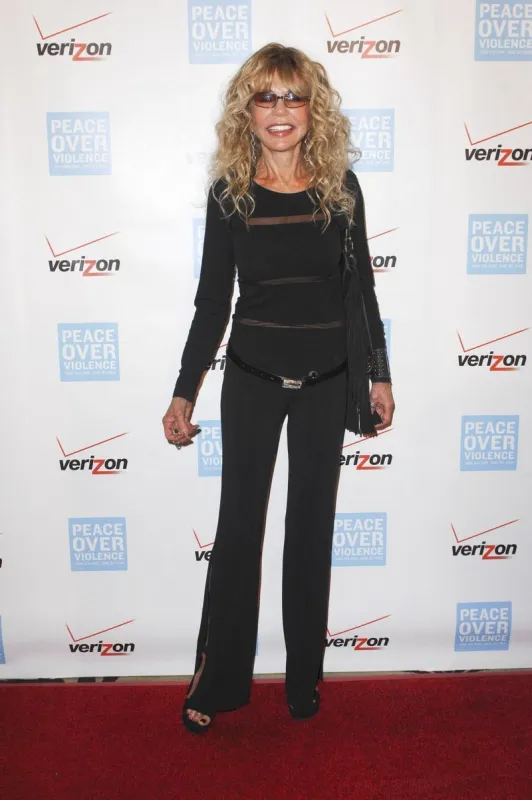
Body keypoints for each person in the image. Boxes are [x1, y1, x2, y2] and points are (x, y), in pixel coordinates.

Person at [162, 42, 395, 734]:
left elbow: (362, 291)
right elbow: (212, 302)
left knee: (311, 532)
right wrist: (184, 391)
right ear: (249, 110)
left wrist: (377, 373)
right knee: (239, 530)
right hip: (255, 379)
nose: (281, 111)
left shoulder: (341, 188)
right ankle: (221, 677)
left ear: (311, 108)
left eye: (293, 96)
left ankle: (303, 679)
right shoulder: (229, 193)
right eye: (267, 97)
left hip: (328, 379)